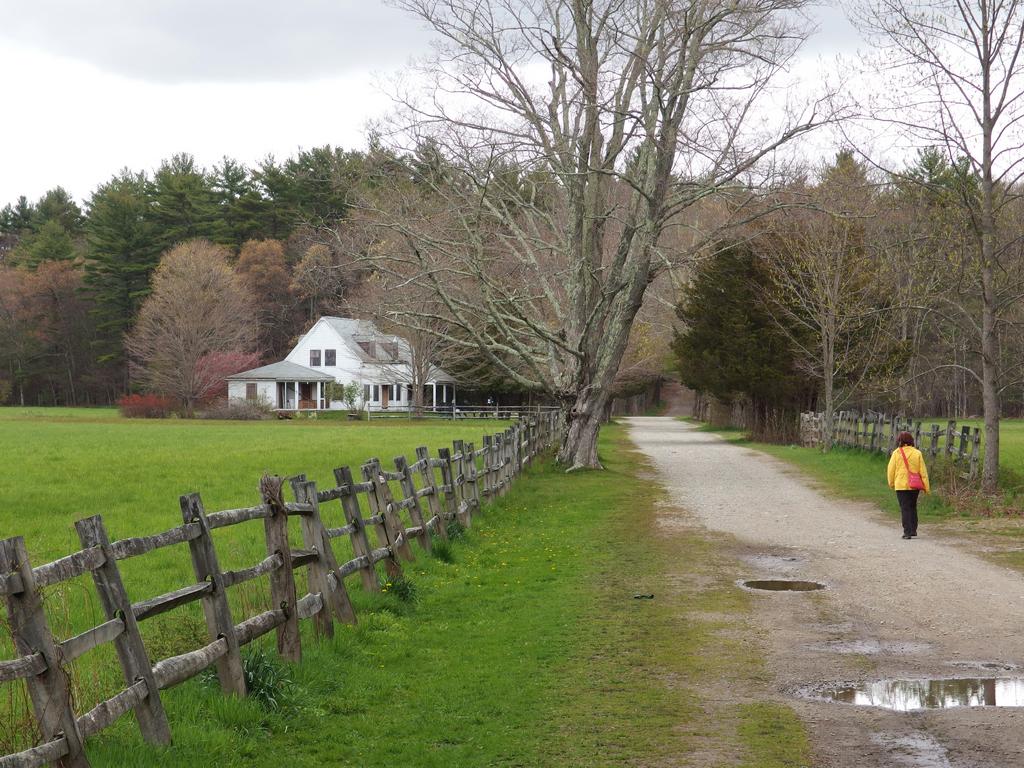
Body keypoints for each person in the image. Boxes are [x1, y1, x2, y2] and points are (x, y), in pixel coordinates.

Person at [886, 431, 930, 540]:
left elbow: (891, 470)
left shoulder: (896, 453)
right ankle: (913, 529)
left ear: (900, 441)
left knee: (904, 508)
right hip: (914, 484)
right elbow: (923, 471)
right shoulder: (917, 453)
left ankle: (907, 532)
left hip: (900, 485)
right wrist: (926, 487)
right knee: (912, 506)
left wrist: (891, 483)